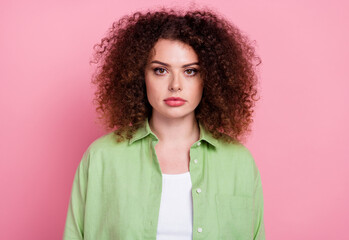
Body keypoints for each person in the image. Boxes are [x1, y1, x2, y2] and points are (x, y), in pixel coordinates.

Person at [63, 6, 265, 240]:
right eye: (160, 70)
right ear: (140, 76)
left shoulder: (239, 162)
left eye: (190, 71)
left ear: (208, 78)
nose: (175, 85)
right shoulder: (101, 158)